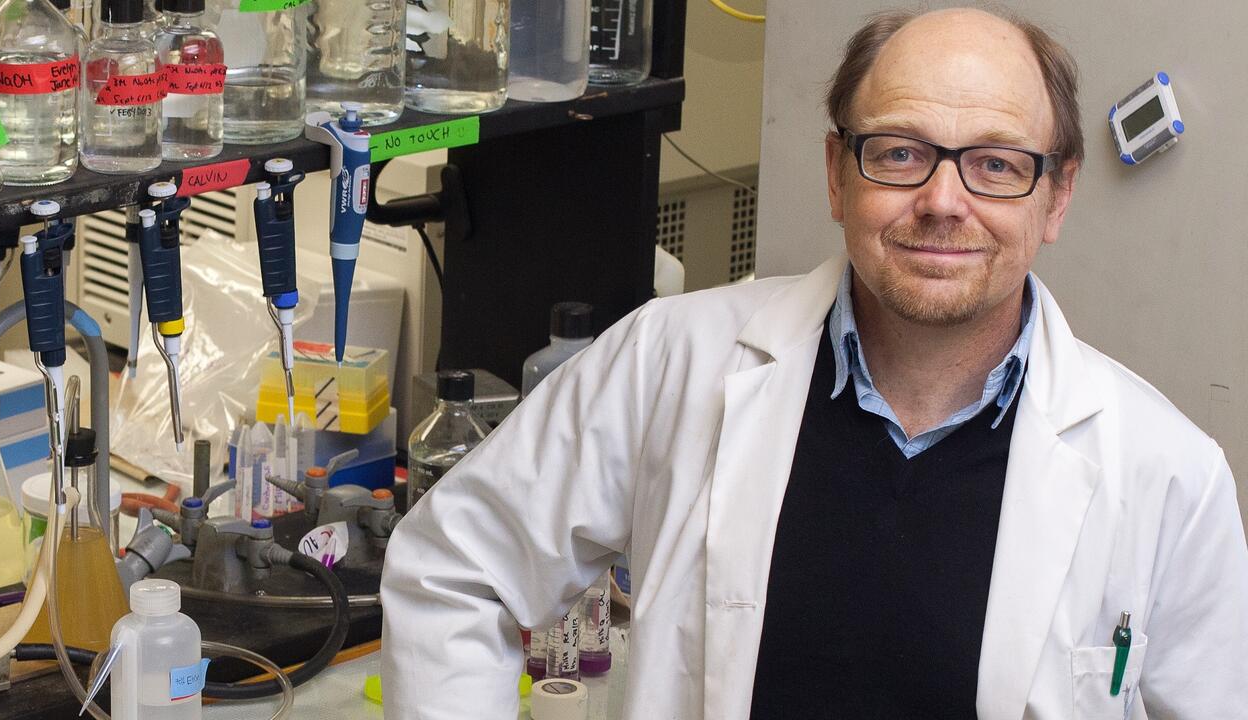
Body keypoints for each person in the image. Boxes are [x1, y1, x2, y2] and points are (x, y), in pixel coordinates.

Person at [381, 7, 1248, 718]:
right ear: (838, 175)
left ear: (1055, 197)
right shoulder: (671, 361)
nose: (944, 202)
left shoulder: (1168, 475)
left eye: (995, 164)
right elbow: (455, 571)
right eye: (901, 152)